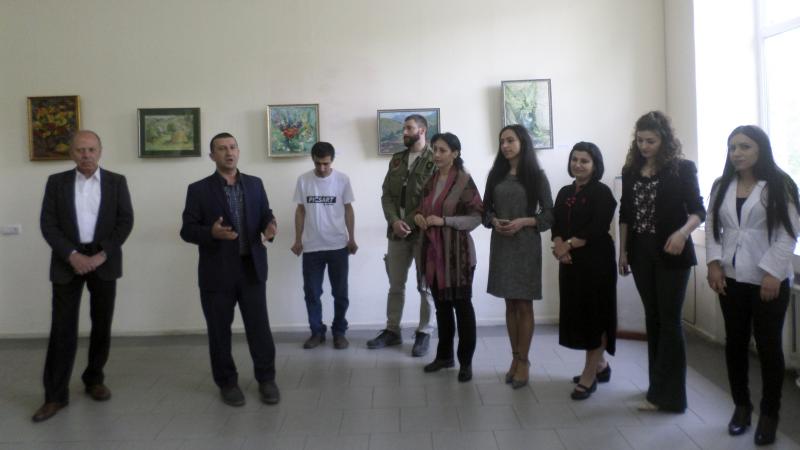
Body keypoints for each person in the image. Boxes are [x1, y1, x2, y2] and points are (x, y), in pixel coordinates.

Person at [706, 125, 799, 446]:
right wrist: (713, 263)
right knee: (735, 344)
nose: (737, 153)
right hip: (731, 278)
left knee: (769, 347)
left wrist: (773, 272)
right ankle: (741, 408)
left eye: (744, 146)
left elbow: (789, 233)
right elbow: (712, 227)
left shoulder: (781, 184)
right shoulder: (722, 185)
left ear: (761, 149)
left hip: (768, 281)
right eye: (732, 147)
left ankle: (769, 415)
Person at [33, 130, 134, 422]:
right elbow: (48, 223)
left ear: (100, 151)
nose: (86, 155)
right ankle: (54, 396)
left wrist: (102, 255)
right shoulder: (56, 182)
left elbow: (125, 221)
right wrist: (72, 255)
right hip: (68, 261)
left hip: (104, 260)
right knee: (61, 329)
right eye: (80, 150)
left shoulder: (117, 181)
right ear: (71, 153)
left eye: (91, 149)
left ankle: (94, 379)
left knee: (101, 325)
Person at [180, 132, 280, 407]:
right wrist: (210, 233)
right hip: (217, 272)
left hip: (251, 268)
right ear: (212, 156)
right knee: (219, 331)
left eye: (233, 147)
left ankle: (266, 379)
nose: (229, 152)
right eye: (222, 149)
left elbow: (265, 214)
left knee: (259, 328)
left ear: (238, 151)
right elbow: (187, 230)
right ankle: (227, 382)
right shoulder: (198, 189)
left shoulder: (255, 184)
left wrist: (270, 227)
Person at [618, 111, 705, 413]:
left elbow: (698, 211)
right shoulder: (630, 171)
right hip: (640, 253)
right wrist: (623, 251)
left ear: (664, 140)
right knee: (652, 319)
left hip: (672, 252)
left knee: (670, 321)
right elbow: (625, 213)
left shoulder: (682, 169)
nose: (644, 146)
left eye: (651, 141)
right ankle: (656, 388)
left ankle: (673, 397)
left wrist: (682, 233)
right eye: (640, 140)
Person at [484, 124, 553, 389]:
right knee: (510, 304)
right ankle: (514, 358)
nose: (505, 145)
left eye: (510, 140)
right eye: (502, 141)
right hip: (502, 244)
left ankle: (524, 361)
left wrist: (524, 221)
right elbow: (484, 212)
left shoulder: (536, 176)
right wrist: (494, 220)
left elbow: (549, 215)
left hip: (525, 245)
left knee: (524, 304)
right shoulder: (495, 175)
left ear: (523, 142)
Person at [413, 132, 483, 382]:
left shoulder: (464, 181)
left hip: (457, 256)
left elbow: (477, 217)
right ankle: (444, 356)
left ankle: (466, 362)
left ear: (455, 153)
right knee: (441, 308)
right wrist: (418, 217)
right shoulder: (430, 180)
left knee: (462, 308)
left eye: (442, 150)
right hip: (433, 255)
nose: (437, 154)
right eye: (434, 149)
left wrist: (444, 221)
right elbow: (421, 209)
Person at [551, 142, 617, 400]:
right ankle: (600, 366)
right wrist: (559, 246)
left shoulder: (602, 192)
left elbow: (598, 227)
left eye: (584, 161)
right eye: (574, 159)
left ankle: (589, 376)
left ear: (595, 165)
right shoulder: (565, 191)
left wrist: (566, 245)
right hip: (570, 263)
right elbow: (556, 223)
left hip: (596, 263)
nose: (578, 164)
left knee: (595, 317)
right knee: (578, 315)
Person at [368, 114, 437, 357]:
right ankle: (392, 330)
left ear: (422, 130)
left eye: (409, 128)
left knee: (425, 287)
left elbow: (431, 199)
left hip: (423, 233)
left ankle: (424, 332)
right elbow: (386, 194)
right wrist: (394, 221)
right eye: (403, 128)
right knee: (395, 285)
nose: (404, 132)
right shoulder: (397, 159)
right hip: (396, 233)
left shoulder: (435, 159)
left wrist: (405, 222)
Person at [291, 141, 357, 350]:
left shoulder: (342, 180)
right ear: (313, 160)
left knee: (340, 293)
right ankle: (317, 332)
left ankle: (339, 332)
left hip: (338, 246)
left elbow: (348, 209)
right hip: (312, 247)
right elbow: (300, 210)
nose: (321, 168)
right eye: (318, 163)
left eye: (326, 163)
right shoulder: (303, 180)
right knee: (312, 292)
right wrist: (297, 239)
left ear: (332, 161)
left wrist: (352, 238)